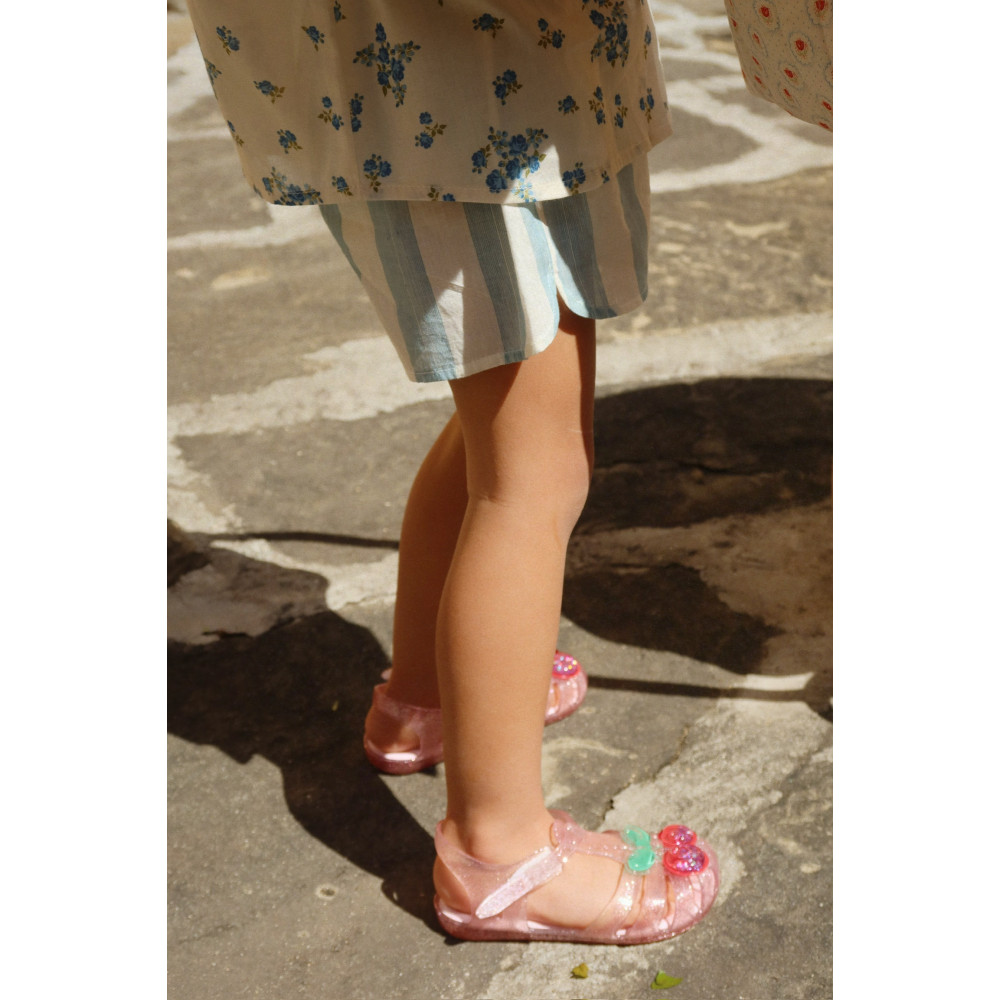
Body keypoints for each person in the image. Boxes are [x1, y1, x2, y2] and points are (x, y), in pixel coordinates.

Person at [183, 0, 719, 944]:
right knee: (534, 477)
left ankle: (423, 698)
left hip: (428, 90)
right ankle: (497, 850)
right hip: (462, 96)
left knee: (504, 441)